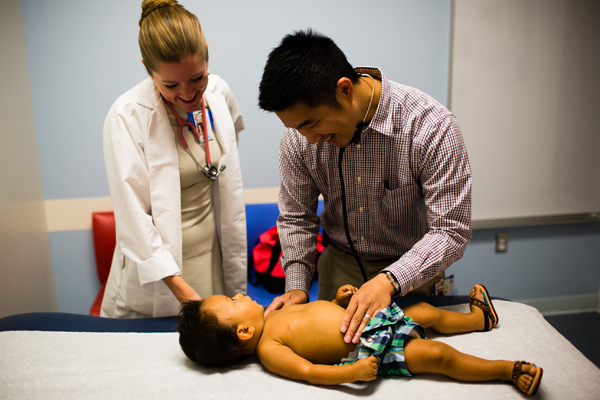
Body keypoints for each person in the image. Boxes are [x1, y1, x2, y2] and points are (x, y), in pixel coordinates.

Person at [258, 29, 472, 344]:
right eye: (295, 128)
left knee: (416, 364)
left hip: (413, 275)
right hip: (339, 269)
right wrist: (297, 287)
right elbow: (296, 217)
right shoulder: (299, 137)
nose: (309, 140)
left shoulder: (430, 127)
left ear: (344, 90)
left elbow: (451, 231)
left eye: (313, 124)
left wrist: (390, 280)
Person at [100, 0, 246, 318]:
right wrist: (180, 291)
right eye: (170, 84)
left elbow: (227, 151)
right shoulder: (128, 116)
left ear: (207, 53)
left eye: (197, 78)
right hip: (158, 277)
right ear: (148, 70)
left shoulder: (220, 94)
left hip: (213, 260)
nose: (188, 94)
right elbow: (133, 218)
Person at [177, 284, 543, 395]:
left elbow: (317, 316)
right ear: (243, 332)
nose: (240, 295)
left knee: (425, 312)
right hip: (370, 348)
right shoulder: (270, 351)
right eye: (232, 302)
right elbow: (307, 371)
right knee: (437, 355)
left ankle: (478, 319)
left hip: (369, 319)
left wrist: (337, 301)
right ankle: (507, 371)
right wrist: (352, 371)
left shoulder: (275, 315)